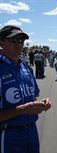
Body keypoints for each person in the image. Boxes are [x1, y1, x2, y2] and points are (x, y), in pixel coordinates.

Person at [0, 25, 51, 153]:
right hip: (8, 135)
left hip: (32, 132)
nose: (19, 45)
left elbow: (32, 98)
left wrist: (40, 104)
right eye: (13, 40)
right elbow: (25, 107)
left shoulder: (26, 68)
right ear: (2, 42)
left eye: (21, 40)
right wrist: (23, 109)